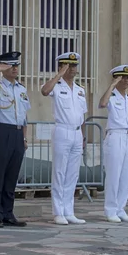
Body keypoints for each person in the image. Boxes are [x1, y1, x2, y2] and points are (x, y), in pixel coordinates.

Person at [0, 50, 30, 227]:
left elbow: (24, 116)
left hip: (17, 133)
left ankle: (8, 212)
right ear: (4, 66)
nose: (15, 68)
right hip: (2, 132)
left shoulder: (21, 88)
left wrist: (24, 137)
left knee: (12, 176)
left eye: (16, 65)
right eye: (11, 65)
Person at [41, 52, 88, 225]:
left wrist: (83, 137)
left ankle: (69, 210)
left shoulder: (80, 90)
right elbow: (44, 91)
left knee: (72, 174)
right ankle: (58, 211)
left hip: (76, 133)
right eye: (69, 65)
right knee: (60, 172)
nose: (73, 69)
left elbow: (83, 115)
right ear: (62, 66)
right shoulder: (56, 86)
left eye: (75, 65)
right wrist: (59, 75)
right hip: (62, 130)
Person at [102, 65, 128, 223]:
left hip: (127, 136)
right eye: (123, 77)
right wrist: (112, 86)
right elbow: (102, 104)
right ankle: (110, 210)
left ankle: (120, 208)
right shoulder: (112, 97)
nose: (126, 80)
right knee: (114, 174)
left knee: (125, 176)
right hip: (115, 136)